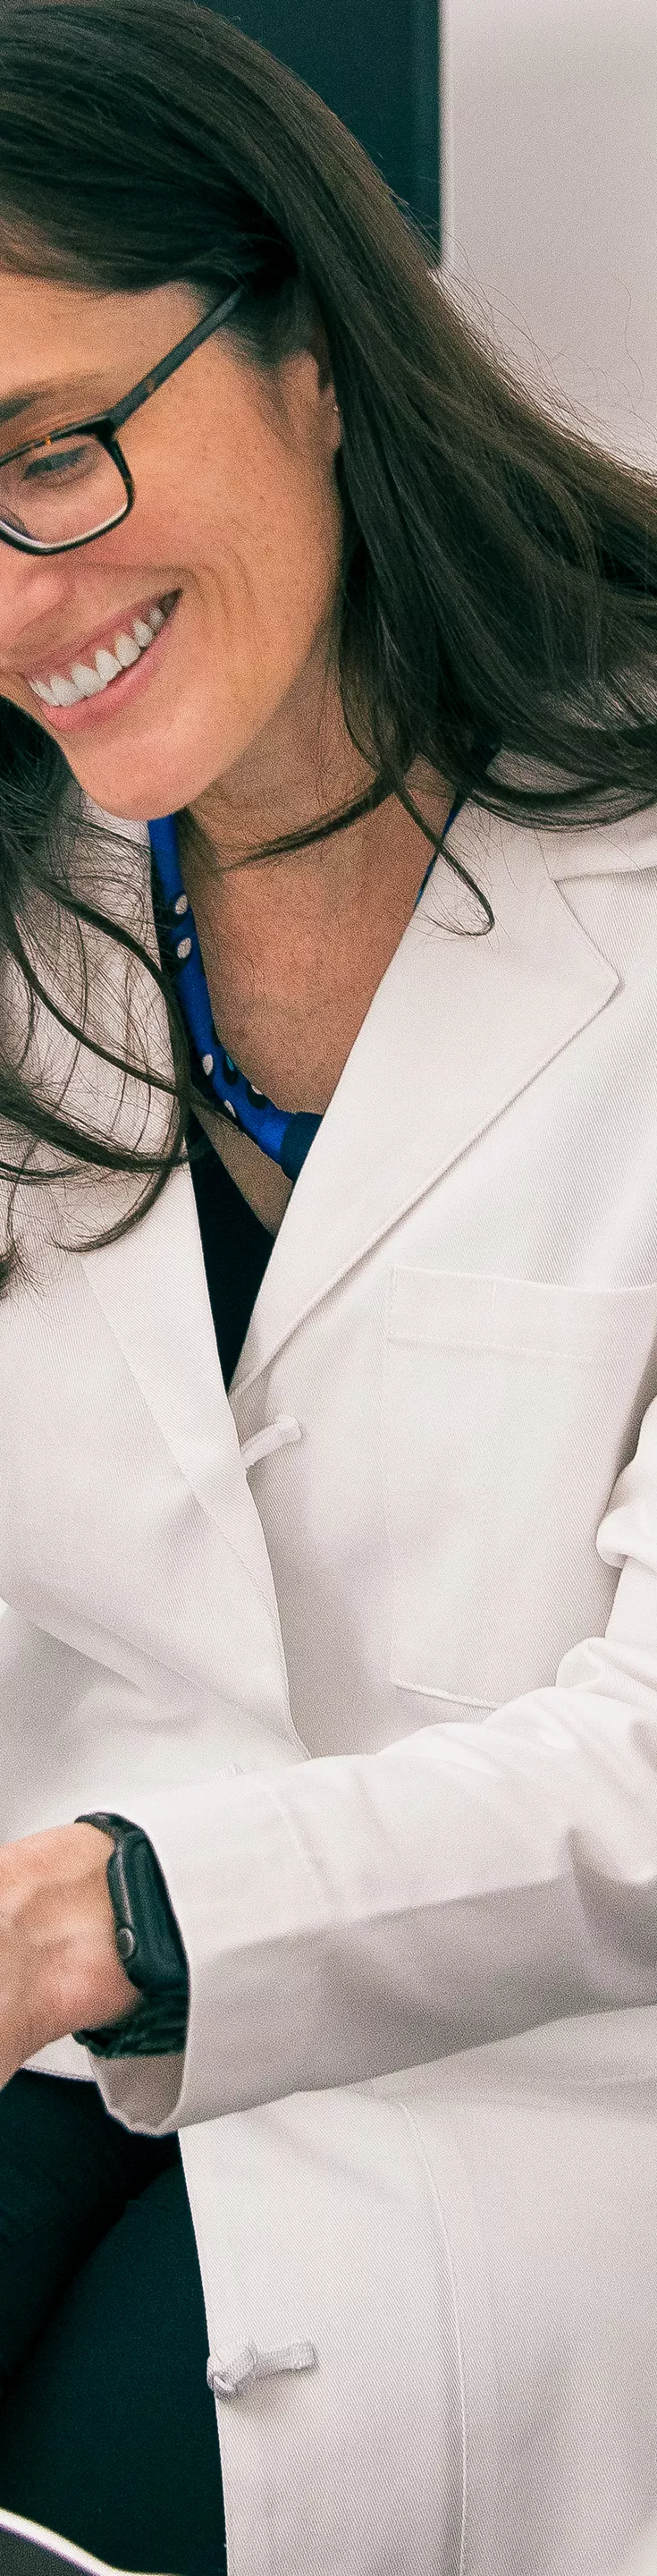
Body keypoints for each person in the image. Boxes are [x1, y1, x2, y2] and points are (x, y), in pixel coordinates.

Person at [0, 1, 655, 2571]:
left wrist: (106, 1909)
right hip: (81, 2051)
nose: (20, 607)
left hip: (562, 2100)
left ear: (313, 350)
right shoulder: (40, 892)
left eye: (48, 453)